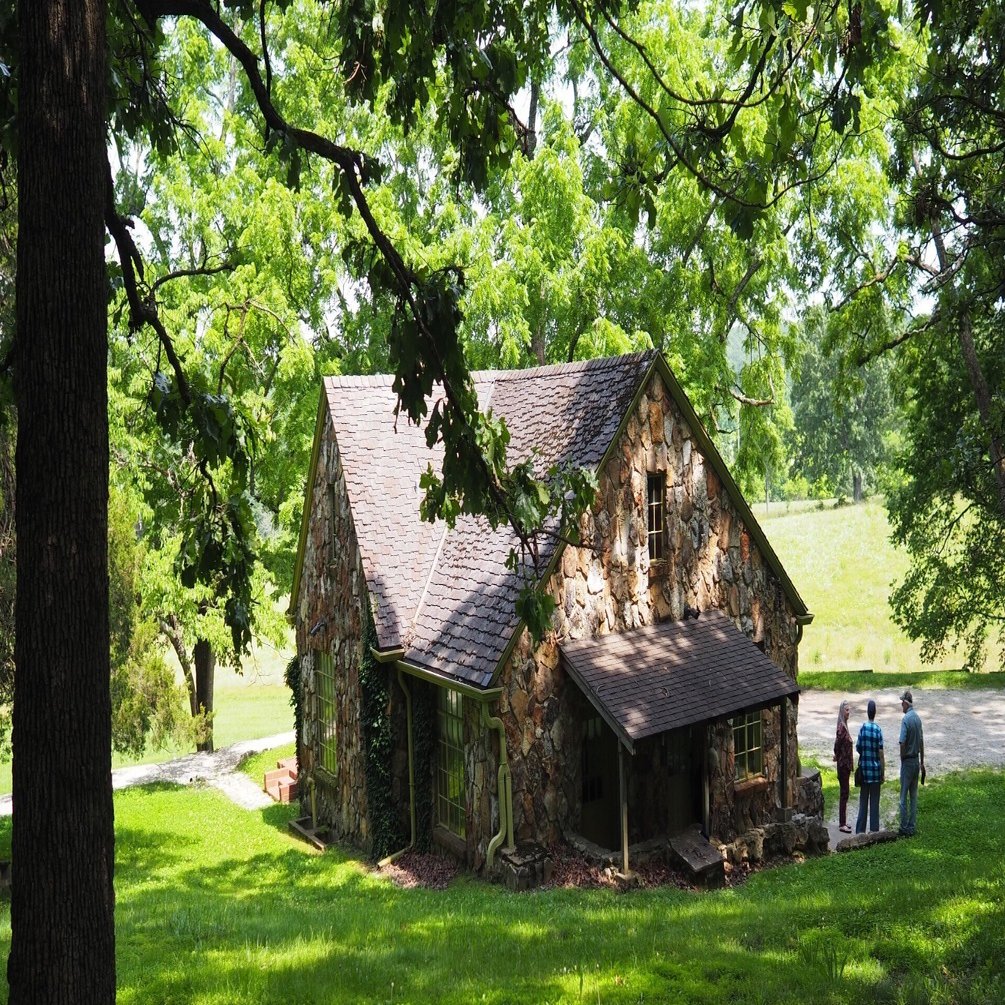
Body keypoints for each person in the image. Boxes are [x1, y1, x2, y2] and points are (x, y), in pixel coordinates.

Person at [898, 688, 925, 836]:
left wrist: (902, 758)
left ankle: (903, 827)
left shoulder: (906, 720)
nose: (901, 705)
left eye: (902, 702)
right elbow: (921, 741)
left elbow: (902, 742)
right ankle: (912, 827)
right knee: (913, 796)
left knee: (903, 797)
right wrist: (922, 762)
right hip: (916, 761)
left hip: (907, 761)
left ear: (906, 703)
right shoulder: (918, 719)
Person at [855, 699, 885, 833]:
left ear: (867, 712)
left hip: (865, 772)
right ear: (875, 712)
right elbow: (881, 753)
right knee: (874, 805)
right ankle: (874, 832)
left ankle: (860, 832)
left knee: (863, 803)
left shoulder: (863, 728)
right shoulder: (878, 730)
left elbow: (858, 747)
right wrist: (882, 772)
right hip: (875, 773)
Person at [833, 699, 853, 832]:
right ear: (842, 711)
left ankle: (843, 821)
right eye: (846, 710)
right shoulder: (841, 727)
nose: (848, 712)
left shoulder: (844, 725)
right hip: (843, 765)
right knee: (844, 793)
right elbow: (837, 744)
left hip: (845, 764)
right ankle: (842, 824)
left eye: (849, 709)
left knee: (846, 793)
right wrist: (838, 754)